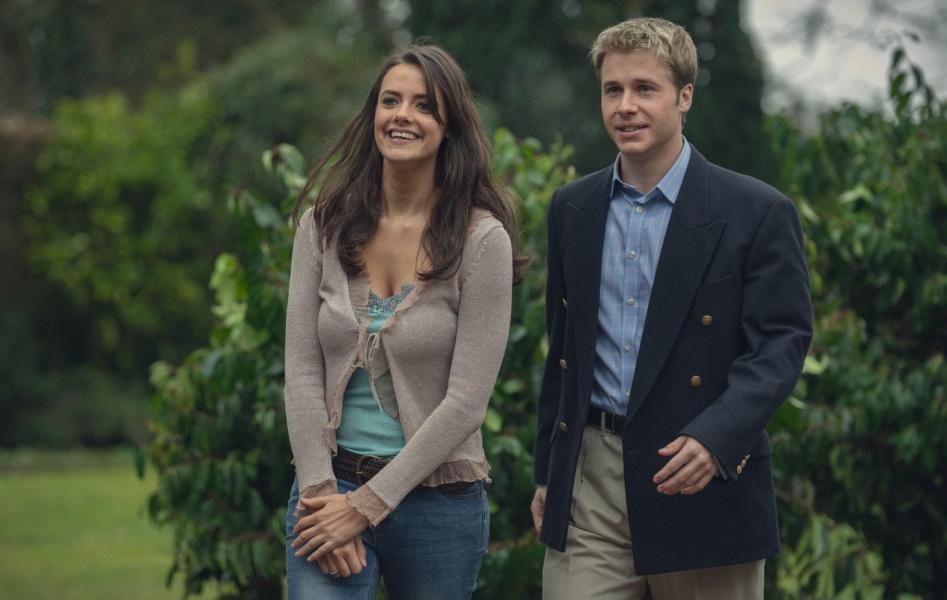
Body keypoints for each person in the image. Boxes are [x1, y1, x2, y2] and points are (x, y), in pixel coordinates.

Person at [529, 17, 812, 600]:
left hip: (699, 475)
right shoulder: (571, 209)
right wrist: (547, 475)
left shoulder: (757, 211)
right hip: (591, 480)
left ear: (684, 97)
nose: (625, 106)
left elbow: (781, 343)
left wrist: (717, 438)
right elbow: (564, 352)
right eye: (613, 90)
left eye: (644, 89)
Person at [283, 44, 520, 600]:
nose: (402, 116)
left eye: (423, 105)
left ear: (448, 125)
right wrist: (323, 498)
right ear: (372, 117)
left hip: (438, 504)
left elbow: (466, 402)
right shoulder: (322, 228)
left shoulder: (482, 241)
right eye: (390, 101)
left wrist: (364, 509)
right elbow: (300, 371)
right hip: (329, 487)